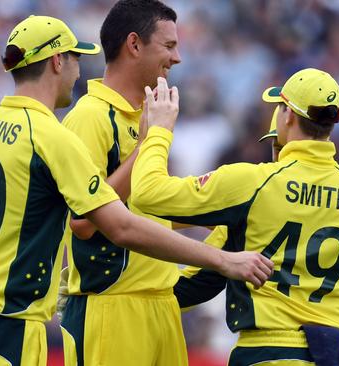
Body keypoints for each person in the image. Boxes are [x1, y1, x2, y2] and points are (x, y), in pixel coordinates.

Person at [0, 15, 272, 366]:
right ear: (58, 61)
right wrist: (223, 260)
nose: (80, 70)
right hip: (8, 328)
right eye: (76, 58)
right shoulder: (51, 137)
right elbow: (121, 228)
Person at [131, 70, 339, 365]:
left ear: (288, 115)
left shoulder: (252, 182)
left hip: (264, 352)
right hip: (332, 356)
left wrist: (158, 132)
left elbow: (147, 193)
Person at [58, 1, 192, 365]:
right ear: (134, 44)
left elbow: (141, 209)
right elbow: (83, 222)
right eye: (168, 46)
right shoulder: (90, 116)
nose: (177, 58)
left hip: (162, 300)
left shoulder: (148, 115)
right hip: (111, 307)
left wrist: (210, 213)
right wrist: (148, 145)